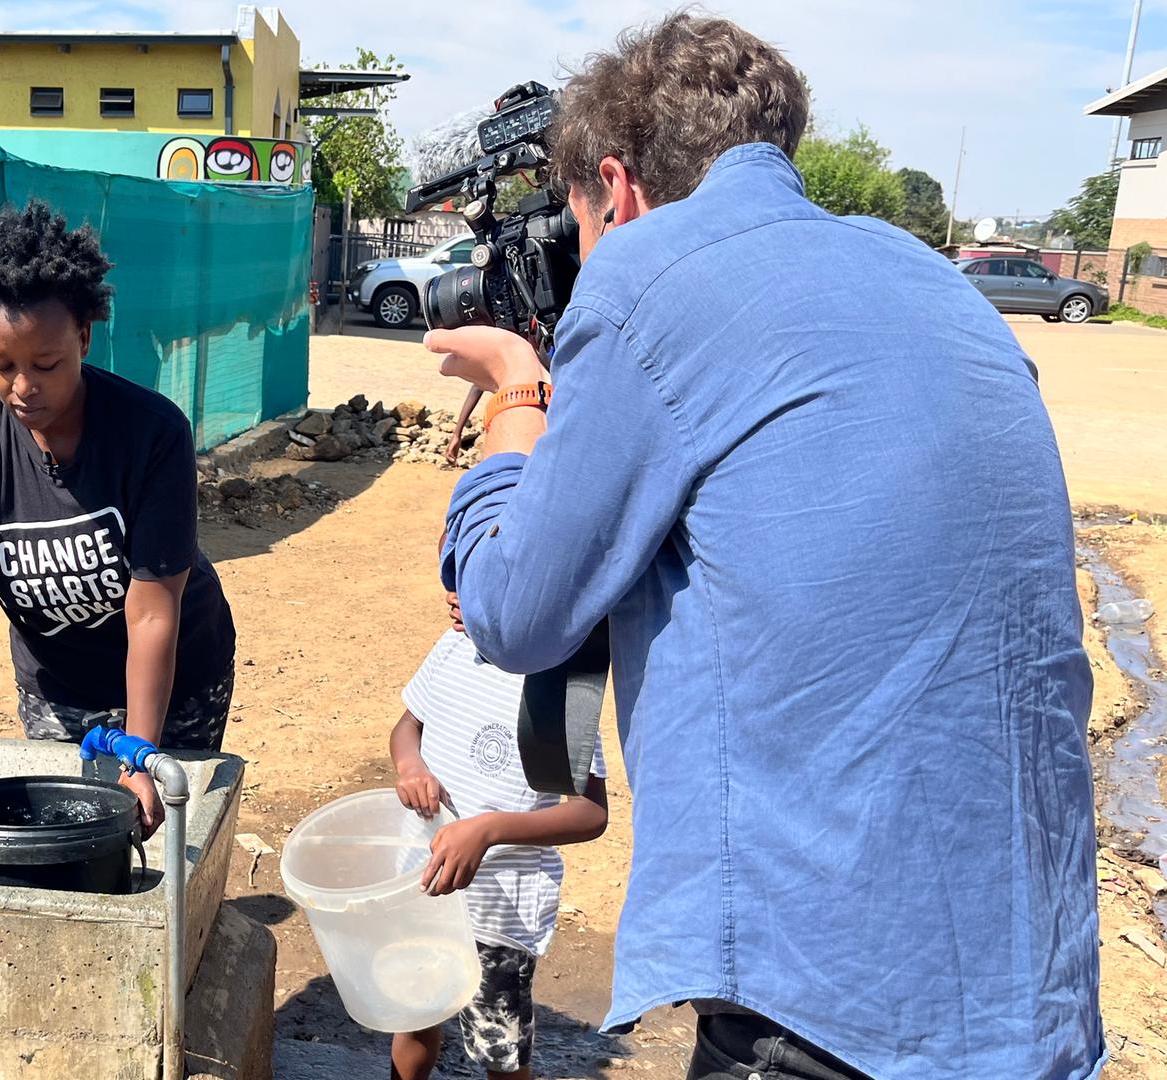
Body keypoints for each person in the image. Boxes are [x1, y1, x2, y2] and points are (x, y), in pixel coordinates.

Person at [428, 14, 1100, 1080]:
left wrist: (516, 388)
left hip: (821, 993)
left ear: (621, 186)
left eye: (580, 227)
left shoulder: (648, 272)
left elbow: (514, 611)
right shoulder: (934, 281)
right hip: (1026, 988)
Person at [0, 199, 237, 842]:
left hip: (179, 670)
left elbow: (151, 612)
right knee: (75, 841)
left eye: (47, 364)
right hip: (59, 687)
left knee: (162, 836)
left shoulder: (152, 433)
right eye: (1, 364)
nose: (23, 386)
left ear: (84, 338)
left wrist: (142, 756)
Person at [389, 590, 609, 1080]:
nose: (452, 594)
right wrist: (410, 767)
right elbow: (408, 727)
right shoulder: (452, 648)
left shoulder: (557, 684)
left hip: (496, 911)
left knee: (501, 1052)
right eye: (452, 572)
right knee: (415, 1020)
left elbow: (590, 814)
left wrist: (489, 830)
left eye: (476, 578)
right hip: (422, 886)